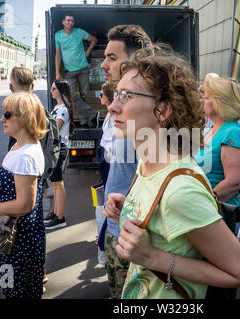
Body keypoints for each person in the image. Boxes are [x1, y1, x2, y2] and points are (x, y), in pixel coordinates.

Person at [103, 51, 240, 299]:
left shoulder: (180, 191)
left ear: (162, 109)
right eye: (116, 94)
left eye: (126, 96)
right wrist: (130, 209)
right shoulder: (147, 165)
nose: (112, 106)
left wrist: (152, 257)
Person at [100, 24, 153, 299]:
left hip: (135, 235)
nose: (103, 64)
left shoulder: (150, 115)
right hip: (116, 226)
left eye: (111, 57)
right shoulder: (122, 108)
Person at [0, 92, 47, 298]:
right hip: (15, 241)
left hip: (20, 246)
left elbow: (25, 204)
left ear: (25, 117)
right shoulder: (19, 147)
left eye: (7, 115)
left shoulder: (26, 155)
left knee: (16, 291)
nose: (1, 119)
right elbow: (15, 185)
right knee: (12, 288)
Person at [194, 76, 240, 211]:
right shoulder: (213, 129)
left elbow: (234, 182)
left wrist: (204, 205)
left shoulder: (233, 132)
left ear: (219, 103)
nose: (202, 102)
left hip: (215, 214)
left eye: (206, 98)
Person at [55, 14, 98, 128]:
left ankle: (85, 123)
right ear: (63, 22)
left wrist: (87, 53)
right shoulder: (58, 36)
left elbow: (94, 40)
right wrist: (57, 72)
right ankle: (93, 114)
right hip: (69, 71)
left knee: (85, 96)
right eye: (68, 20)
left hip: (83, 68)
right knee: (73, 96)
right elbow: (58, 54)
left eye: (72, 21)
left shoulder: (79, 32)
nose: (70, 23)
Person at [44, 80, 74, 230]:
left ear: (61, 91)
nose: (51, 91)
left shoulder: (63, 109)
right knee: (55, 183)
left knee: (58, 182)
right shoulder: (57, 107)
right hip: (55, 147)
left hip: (59, 148)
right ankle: (55, 213)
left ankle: (60, 218)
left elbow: (54, 129)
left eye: (54, 89)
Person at [7, 66, 35, 151]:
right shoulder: (40, 109)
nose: (2, 119)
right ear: (32, 86)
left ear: (11, 87)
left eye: (6, 115)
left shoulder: (14, 111)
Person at [98, 82, 115, 186]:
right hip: (103, 150)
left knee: (109, 183)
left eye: (101, 95)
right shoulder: (109, 113)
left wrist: (110, 152)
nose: (99, 97)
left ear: (109, 96)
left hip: (109, 153)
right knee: (105, 182)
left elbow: (118, 136)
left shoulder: (115, 116)